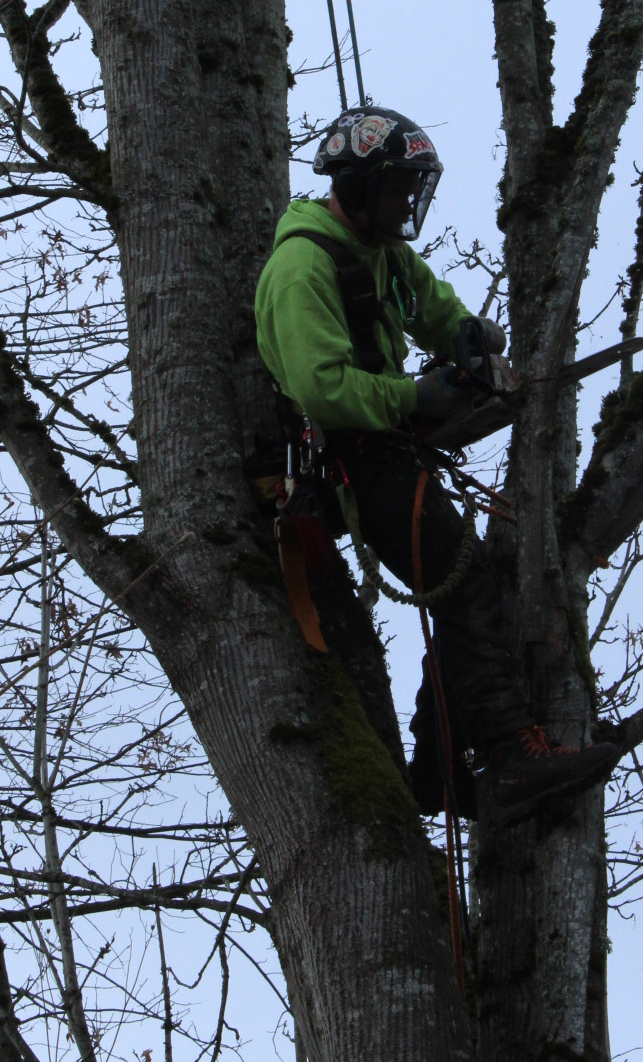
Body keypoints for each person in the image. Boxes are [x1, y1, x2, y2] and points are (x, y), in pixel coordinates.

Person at [254, 105, 613, 817]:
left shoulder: (382, 251)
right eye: (396, 191)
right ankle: (507, 754)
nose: (405, 207)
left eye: (412, 194)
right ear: (356, 187)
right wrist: (418, 396)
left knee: (470, 589)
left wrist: (469, 341)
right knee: (468, 588)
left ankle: (438, 767)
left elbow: (431, 304)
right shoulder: (303, 266)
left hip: (389, 452)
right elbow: (322, 389)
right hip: (350, 463)